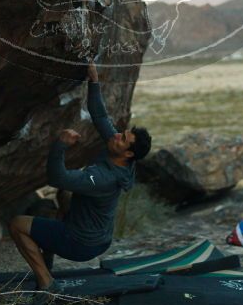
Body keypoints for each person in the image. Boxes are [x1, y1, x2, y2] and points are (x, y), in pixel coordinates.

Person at [8, 62, 152, 292]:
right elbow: (100, 115)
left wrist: (60, 146)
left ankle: (47, 282)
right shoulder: (120, 154)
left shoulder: (104, 177)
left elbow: (58, 178)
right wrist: (94, 81)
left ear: (127, 153)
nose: (116, 135)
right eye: (122, 133)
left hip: (82, 243)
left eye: (122, 139)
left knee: (17, 224)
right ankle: (48, 252)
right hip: (98, 235)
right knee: (63, 197)